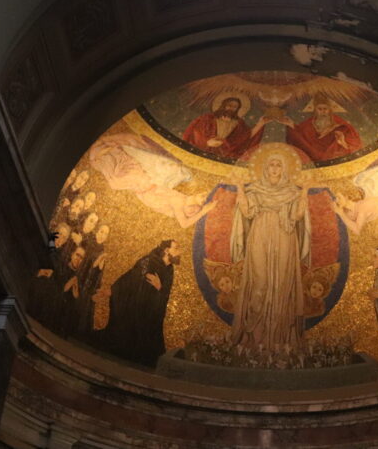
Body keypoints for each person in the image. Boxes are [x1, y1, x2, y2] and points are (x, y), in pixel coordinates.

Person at [229, 153, 311, 350]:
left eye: (278, 165)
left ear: (284, 169)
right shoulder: (255, 190)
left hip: (284, 236)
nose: (274, 168)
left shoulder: (292, 192)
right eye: (271, 164)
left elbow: (298, 215)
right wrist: (239, 187)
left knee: (282, 283)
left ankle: (279, 337)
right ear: (265, 169)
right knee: (259, 281)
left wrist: (305, 191)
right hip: (260, 235)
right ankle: (255, 335)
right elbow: (246, 212)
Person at [89, 133, 217, 228]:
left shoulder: (179, 202)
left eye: (202, 200)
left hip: (145, 187)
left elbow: (184, 224)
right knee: (124, 168)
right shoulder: (182, 198)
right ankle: (106, 155)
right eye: (203, 196)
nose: (202, 197)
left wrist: (205, 210)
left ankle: (102, 156)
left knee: (119, 174)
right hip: (147, 184)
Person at [99, 239, 180, 367]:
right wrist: (114, 290)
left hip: (151, 312)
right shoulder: (149, 261)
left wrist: (159, 287)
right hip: (137, 309)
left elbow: (165, 295)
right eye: (176, 248)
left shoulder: (170, 270)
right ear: (166, 250)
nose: (178, 252)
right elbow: (131, 277)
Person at [182, 96, 268, 159]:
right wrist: (207, 142)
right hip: (205, 151)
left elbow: (245, 137)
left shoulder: (239, 123)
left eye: (235, 107)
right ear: (223, 105)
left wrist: (260, 123)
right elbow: (196, 132)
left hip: (226, 154)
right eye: (229, 105)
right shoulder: (208, 118)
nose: (231, 108)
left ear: (237, 109)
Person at [284, 94, 362, 162]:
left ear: (329, 110)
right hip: (315, 155)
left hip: (332, 156)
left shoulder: (341, 125)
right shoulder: (309, 123)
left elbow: (354, 143)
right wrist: (291, 125)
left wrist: (343, 142)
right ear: (315, 110)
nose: (323, 111)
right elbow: (300, 133)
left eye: (325, 109)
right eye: (320, 109)